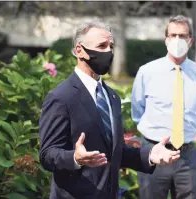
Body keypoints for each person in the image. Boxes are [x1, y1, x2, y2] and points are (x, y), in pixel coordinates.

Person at [39, 21, 180, 199]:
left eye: (111, 46)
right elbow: (47, 154)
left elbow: (115, 151)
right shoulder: (61, 97)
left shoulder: (111, 97)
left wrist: (150, 155)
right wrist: (75, 157)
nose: (108, 52)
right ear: (79, 50)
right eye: (102, 46)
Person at [131, 15, 196, 199]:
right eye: (173, 35)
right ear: (166, 39)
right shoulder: (147, 72)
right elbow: (138, 110)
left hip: (186, 155)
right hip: (154, 151)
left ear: (190, 41)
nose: (178, 40)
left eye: (182, 36)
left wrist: (189, 131)